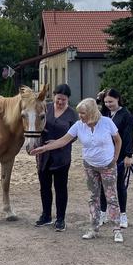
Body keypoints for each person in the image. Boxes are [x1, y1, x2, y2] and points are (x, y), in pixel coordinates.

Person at [30, 98, 124, 243]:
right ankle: (93, 228)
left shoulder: (106, 122)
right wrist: (44, 148)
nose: (80, 116)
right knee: (93, 197)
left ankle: (116, 229)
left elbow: (118, 140)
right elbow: (63, 140)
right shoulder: (79, 126)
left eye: (83, 113)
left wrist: (115, 158)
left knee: (111, 197)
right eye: (79, 113)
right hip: (90, 165)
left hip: (107, 166)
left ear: (92, 112)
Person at [34, 84, 78, 232]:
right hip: (43, 155)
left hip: (61, 157)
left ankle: (60, 219)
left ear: (68, 99)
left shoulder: (72, 114)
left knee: (60, 188)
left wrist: (59, 142)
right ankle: (46, 215)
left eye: (63, 100)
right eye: (58, 99)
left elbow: (75, 135)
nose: (60, 102)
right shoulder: (46, 108)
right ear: (54, 96)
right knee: (44, 187)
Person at [97, 88, 133, 229]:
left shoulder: (126, 115)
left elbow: (128, 136)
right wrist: (98, 100)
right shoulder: (105, 113)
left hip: (119, 156)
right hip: (104, 155)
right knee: (103, 185)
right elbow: (93, 114)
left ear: (118, 99)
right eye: (106, 101)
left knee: (119, 186)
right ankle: (102, 213)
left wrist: (128, 155)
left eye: (111, 101)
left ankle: (122, 215)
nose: (108, 104)